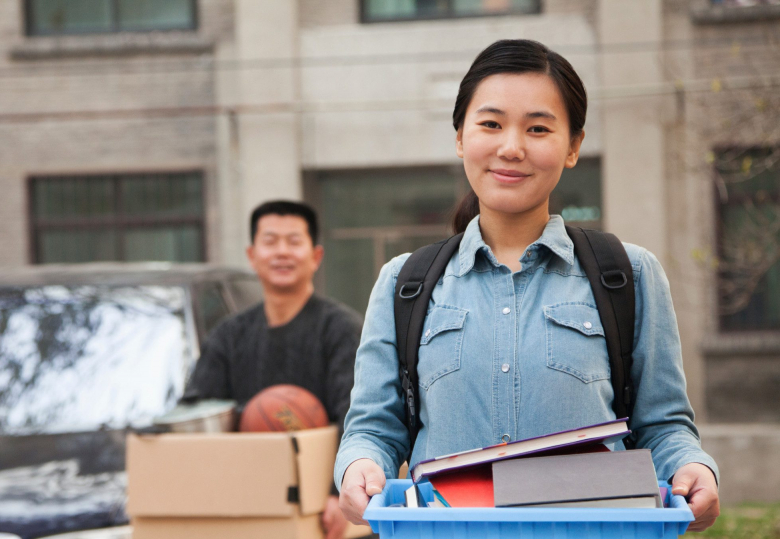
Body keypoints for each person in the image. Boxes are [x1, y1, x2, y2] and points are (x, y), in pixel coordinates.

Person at [335, 39, 720, 532]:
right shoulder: (403, 284)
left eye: (538, 128)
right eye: (490, 124)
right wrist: (360, 466)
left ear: (574, 146)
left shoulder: (630, 275)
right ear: (459, 137)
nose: (511, 147)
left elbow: (664, 426)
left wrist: (693, 468)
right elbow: (373, 427)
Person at [184, 200, 364, 539]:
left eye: (294, 241)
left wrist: (338, 492)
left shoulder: (341, 329)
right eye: (270, 241)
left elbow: (357, 415)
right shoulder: (228, 335)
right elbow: (199, 408)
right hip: (247, 500)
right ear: (252, 256)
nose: (282, 252)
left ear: (316, 256)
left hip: (320, 510)